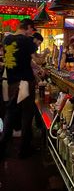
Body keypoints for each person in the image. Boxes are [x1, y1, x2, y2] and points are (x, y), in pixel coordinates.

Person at [0, 19, 38, 159]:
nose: (32, 32)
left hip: (12, 82)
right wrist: (45, 53)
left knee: (10, 113)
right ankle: (24, 150)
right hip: (25, 82)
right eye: (32, 29)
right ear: (27, 28)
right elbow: (37, 59)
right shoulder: (27, 41)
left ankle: (2, 147)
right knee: (27, 115)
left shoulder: (7, 39)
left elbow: (10, 59)